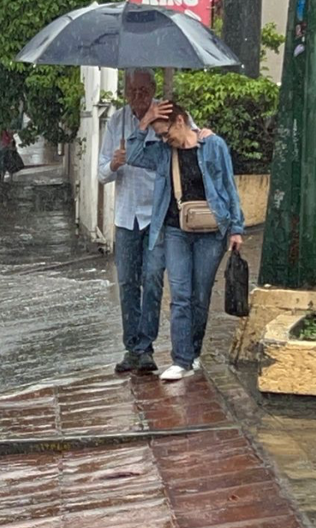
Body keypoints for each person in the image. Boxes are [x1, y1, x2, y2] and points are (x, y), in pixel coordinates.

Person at [98, 70, 209, 374]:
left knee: (152, 279)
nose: (138, 97)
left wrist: (205, 134)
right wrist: (114, 164)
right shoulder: (117, 121)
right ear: (125, 92)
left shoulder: (167, 112)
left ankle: (146, 347)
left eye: (144, 91)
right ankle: (132, 347)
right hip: (126, 215)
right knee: (126, 282)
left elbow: (192, 139)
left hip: (158, 215)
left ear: (153, 90)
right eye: (132, 92)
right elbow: (101, 173)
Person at [125, 102, 245, 382]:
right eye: (160, 136)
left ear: (180, 121)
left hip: (211, 231)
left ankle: (193, 353)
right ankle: (181, 360)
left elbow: (229, 186)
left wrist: (236, 229)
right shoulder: (164, 153)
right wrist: (145, 122)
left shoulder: (213, 146)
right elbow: (133, 155)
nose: (165, 140)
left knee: (200, 296)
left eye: (166, 133)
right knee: (180, 296)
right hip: (175, 230)